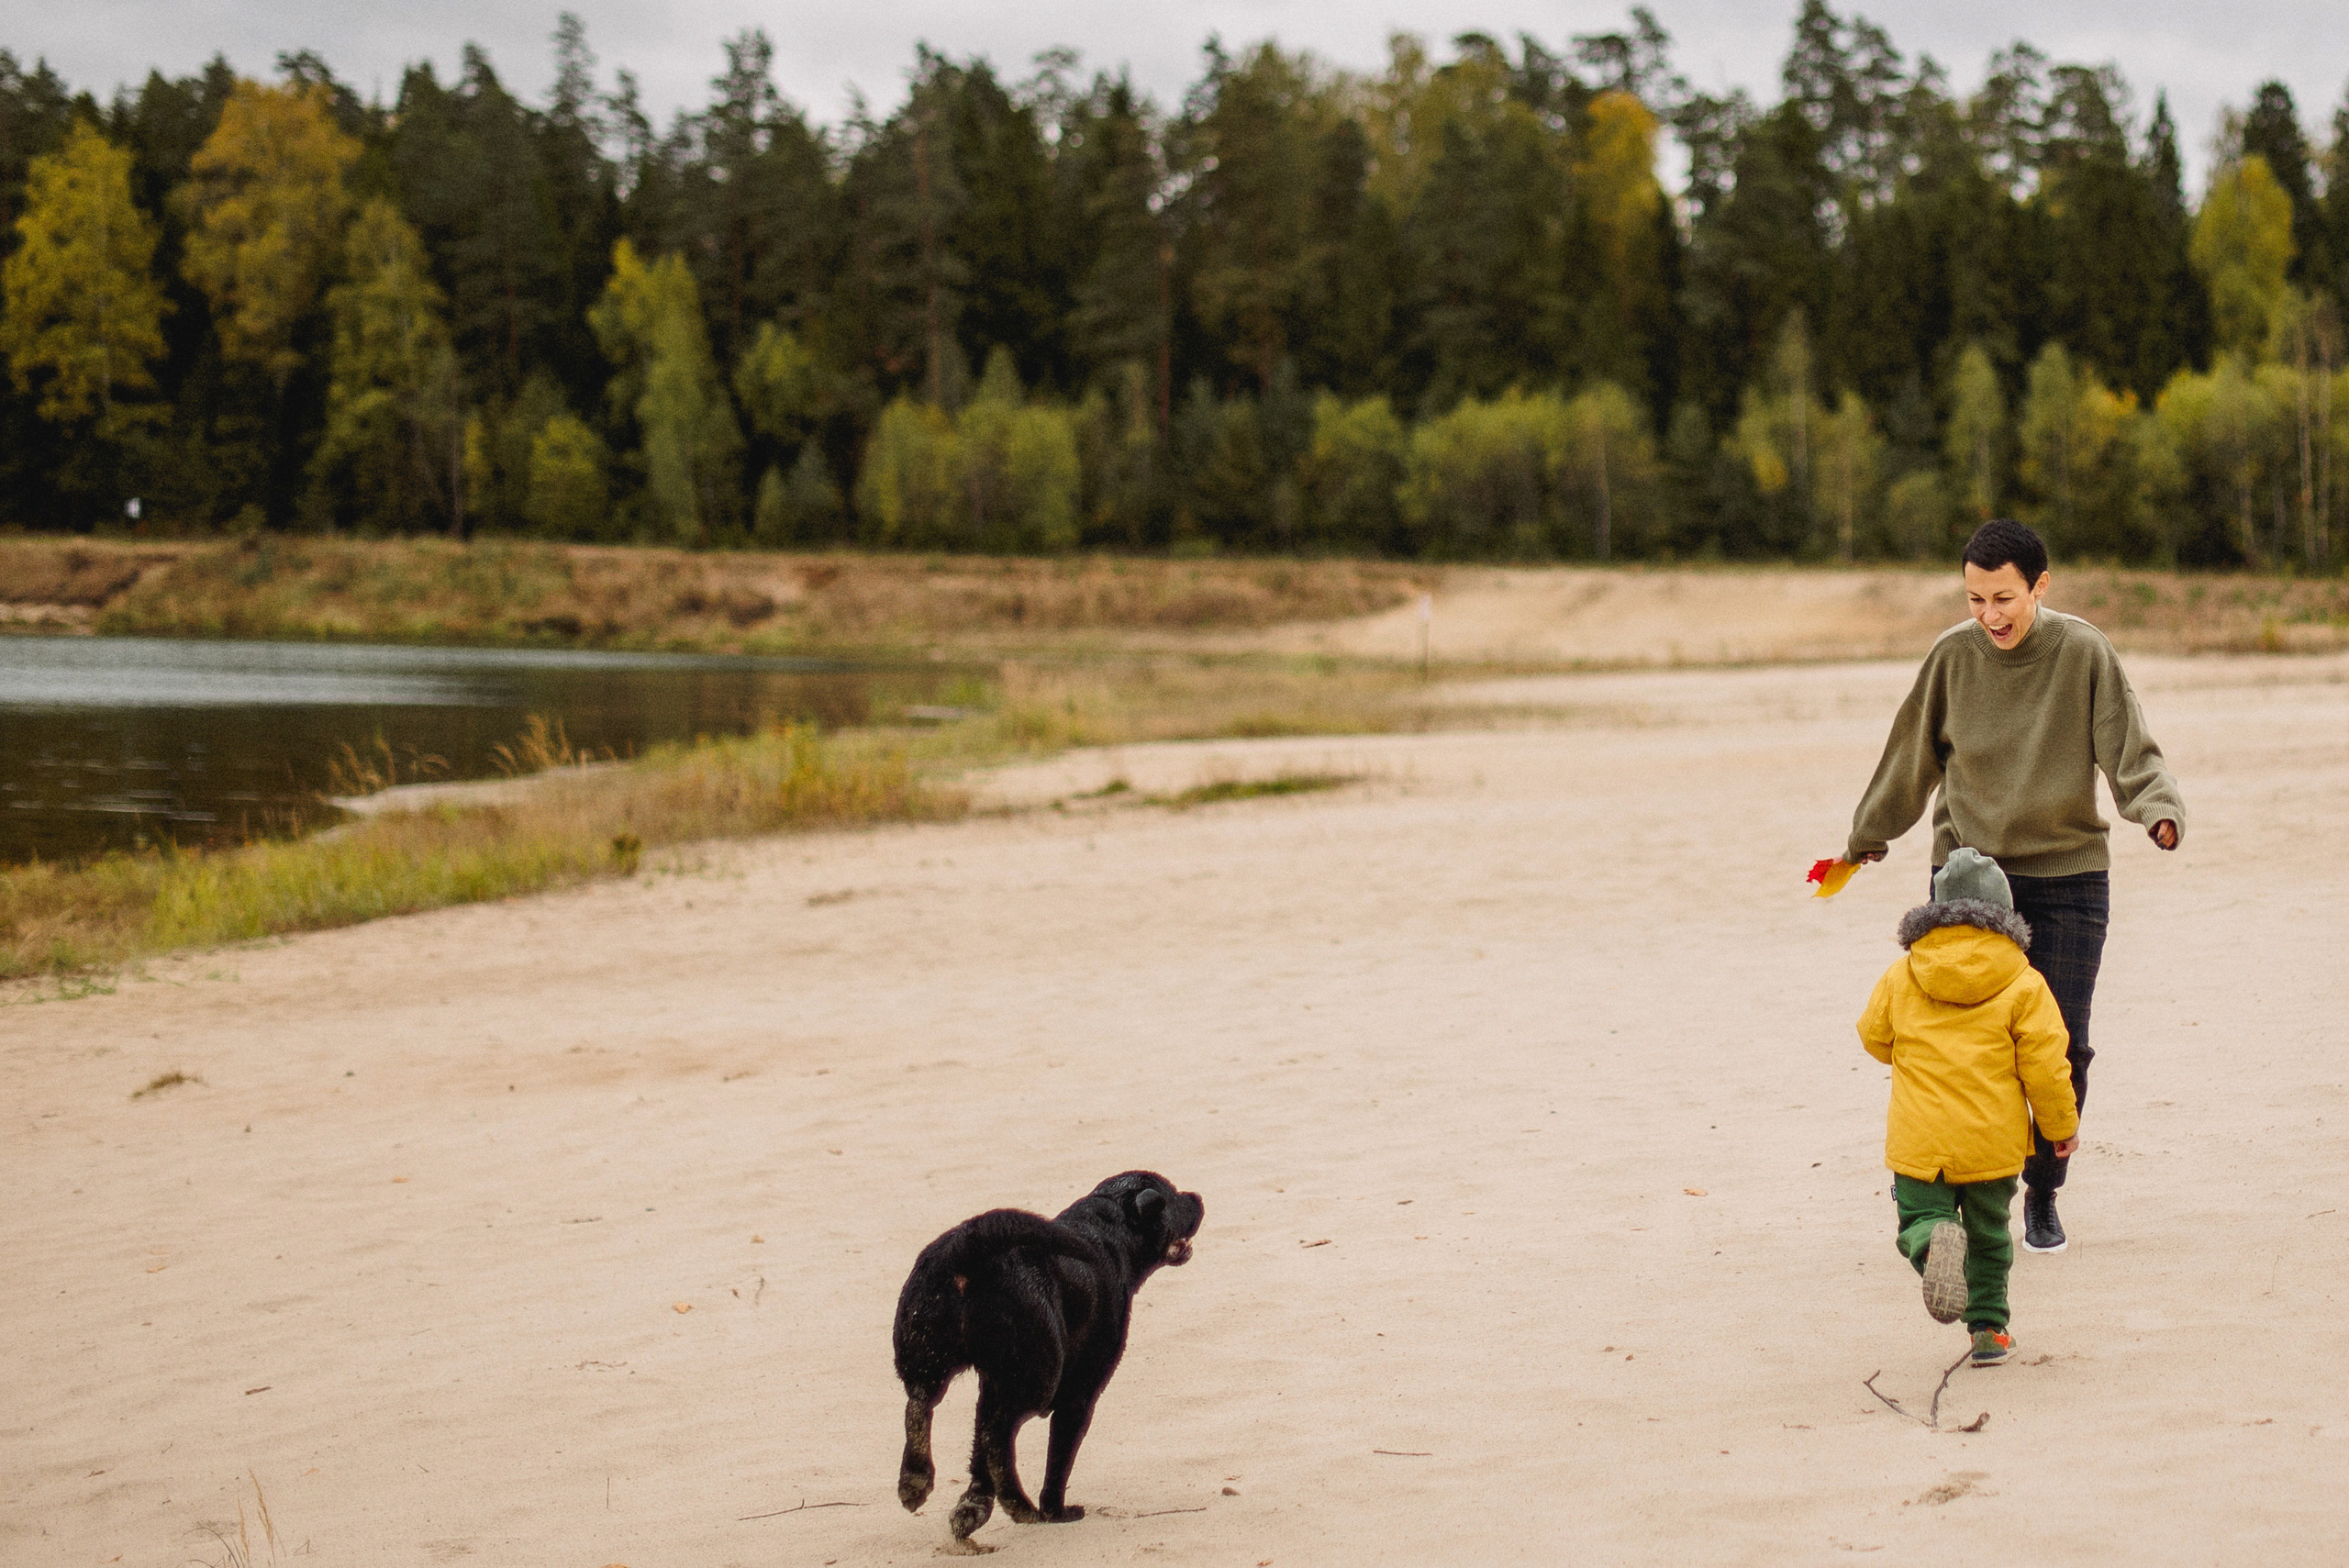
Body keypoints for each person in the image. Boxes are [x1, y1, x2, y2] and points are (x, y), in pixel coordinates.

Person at [1842, 519, 2184, 1252]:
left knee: (2060, 1047)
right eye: (1974, 599)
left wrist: (2156, 809)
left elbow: (2129, 746)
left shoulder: (2083, 650)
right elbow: (1911, 755)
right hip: (1968, 878)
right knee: (1962, 1040)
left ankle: (2042, 1193)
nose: (1989, 615)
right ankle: (1968, 1190)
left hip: (2067, 874)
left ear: (2040, 585)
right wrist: (1870, 832)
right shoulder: (1952, 657)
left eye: (2003, 597)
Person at [1859, 849, 2080, 1365]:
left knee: (1918, 1217)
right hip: (1991, 1142)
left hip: (1921, 1140)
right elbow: (2047, 1067)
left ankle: (1932, 1244)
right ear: (2004, 916)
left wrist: (1911, 1052)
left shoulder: (1903, 973)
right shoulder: (2025, 982)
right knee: (1988, 1238)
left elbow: (1873, 1037)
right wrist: (2060, 1127)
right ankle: (1989, 1331)